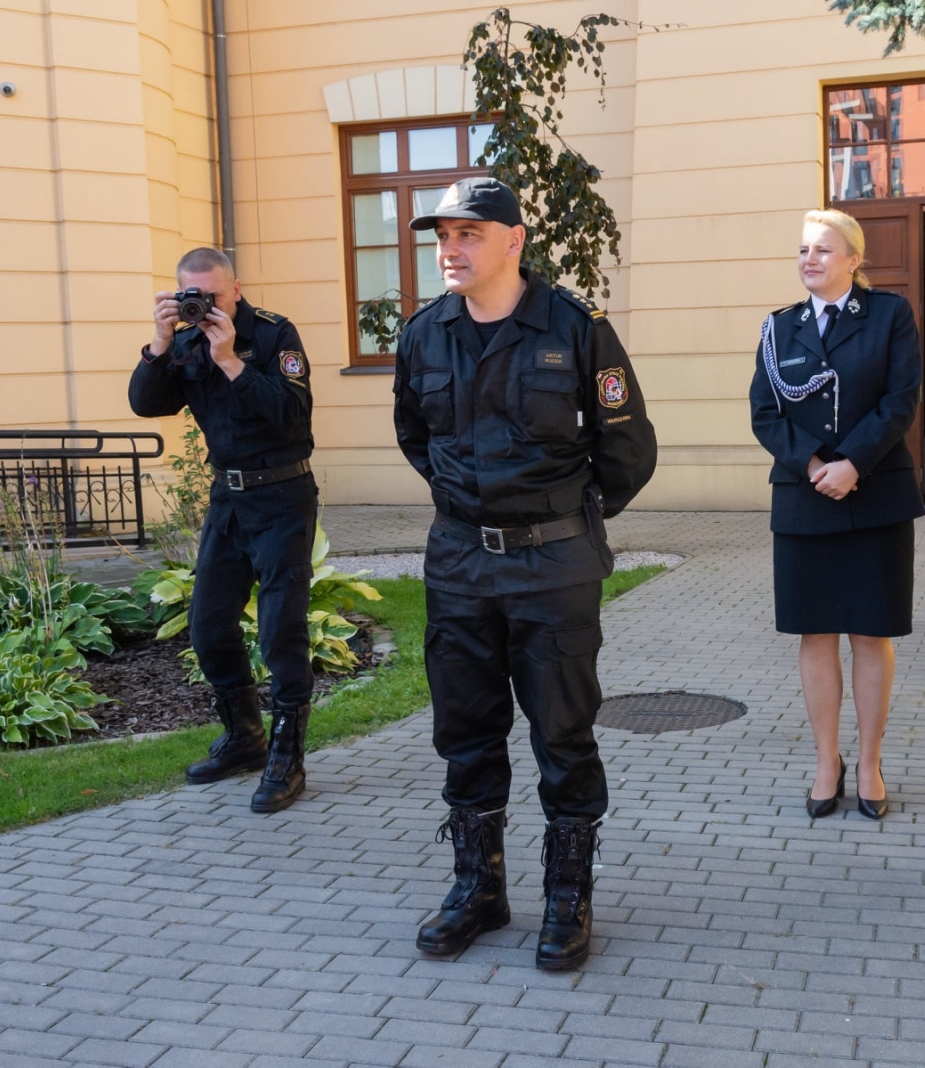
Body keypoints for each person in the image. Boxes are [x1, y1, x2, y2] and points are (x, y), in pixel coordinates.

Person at [393, 177, 657, 970]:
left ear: (514, 239)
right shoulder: (424, 334)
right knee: (466, 733)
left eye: (469, 234)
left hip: (553, 564)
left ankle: (568, 897)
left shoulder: (575, 328)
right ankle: (479, 887)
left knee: (562, 734)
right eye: (442, 235)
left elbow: (629, 450)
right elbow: (416, 436)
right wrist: (469, 509)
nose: (450, 248)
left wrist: (564, 522)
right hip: (460, 564)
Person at [749, 208, 924, 823]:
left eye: (823, 250)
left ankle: (870, 762)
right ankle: (828, 762)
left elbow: (901, 399)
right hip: (804, 498)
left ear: (854, 258)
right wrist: (815, 464)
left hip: (874, 495)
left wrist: (851, 462)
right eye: (803, 250)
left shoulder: (888, 317)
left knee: (870, 633)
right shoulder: (779, 329)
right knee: (815, 632)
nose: (810, 260)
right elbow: (766, 416)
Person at [129, 247, 318, 814]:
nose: (203, 305)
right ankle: (246, 739)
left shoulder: (274, 335)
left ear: (236, 288)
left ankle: (287, 759)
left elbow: (292, 414)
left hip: (282, 495)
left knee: (281, 633)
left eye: (213, 295)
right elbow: (145, 404)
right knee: (208, 626)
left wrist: (232, 359)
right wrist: (160, 345)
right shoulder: (183, 342)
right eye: (192, 295)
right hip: (227, 498)